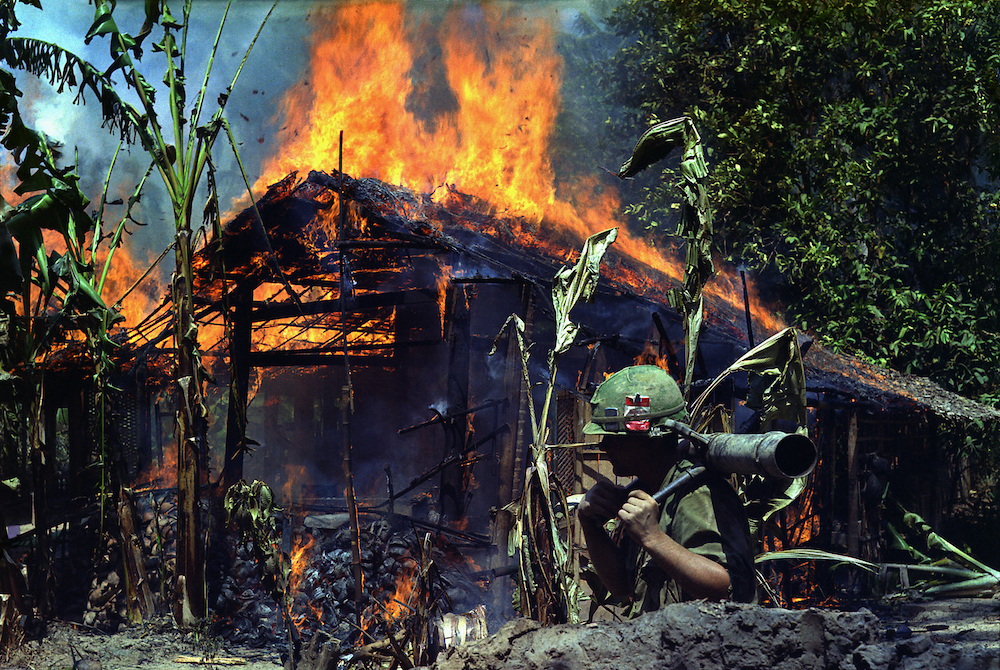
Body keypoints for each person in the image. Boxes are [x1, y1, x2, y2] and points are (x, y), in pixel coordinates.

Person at [576, 365, 756, 616]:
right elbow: (621, 587)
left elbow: (723, 587)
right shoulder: (651, 489)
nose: (606, 446)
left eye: (617, 437)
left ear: (654, 438)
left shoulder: (696, 493)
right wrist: (591, 526)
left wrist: (654, 538)